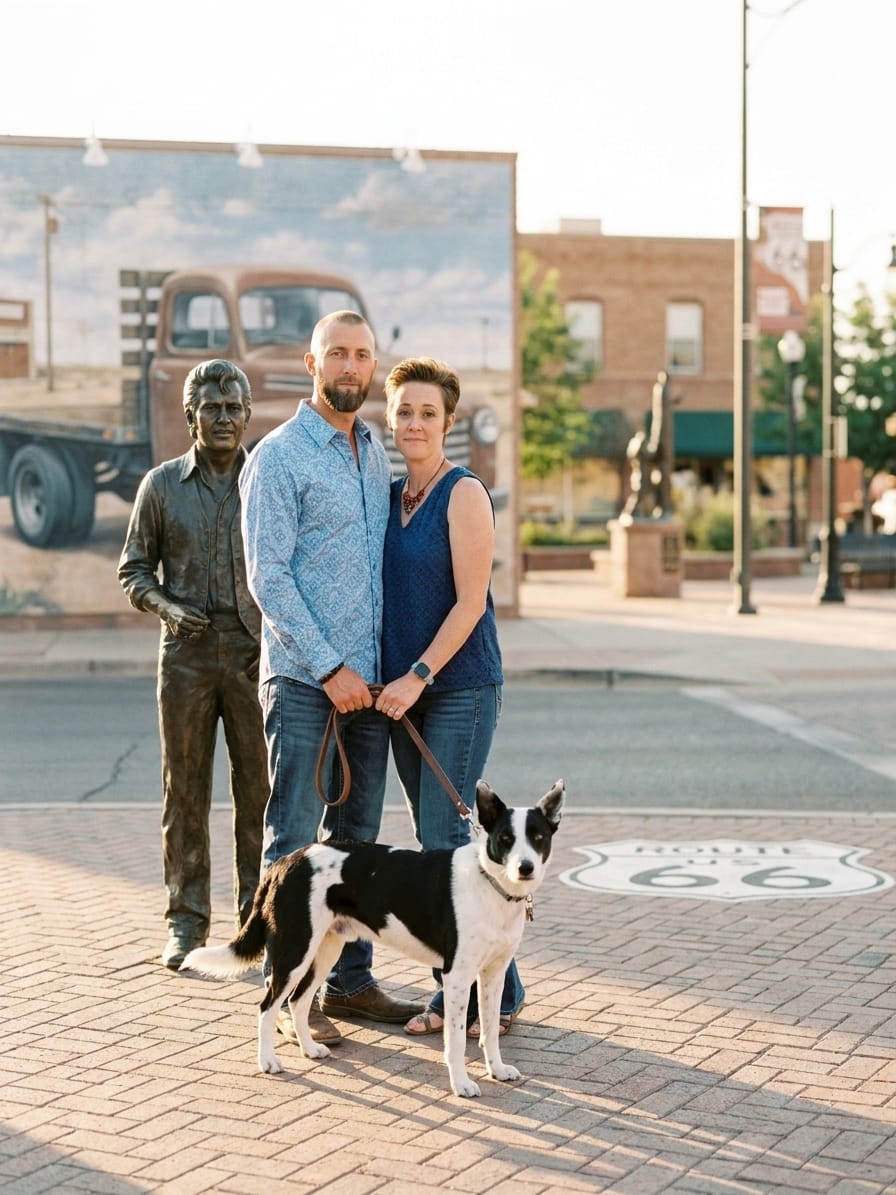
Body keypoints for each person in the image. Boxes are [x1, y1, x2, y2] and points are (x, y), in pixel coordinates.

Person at [238, 310, 424, 1043]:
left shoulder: (372, 449)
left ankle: (347, 980)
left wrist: (375, 673)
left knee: (359, 843)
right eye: (338, 354)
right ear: (311, 363)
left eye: (363, 355)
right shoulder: (279, 457)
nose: (352, 366)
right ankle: (286, 995)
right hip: (304, 680)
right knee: (291, 839)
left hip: (371, 689)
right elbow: (269, 577)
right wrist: (329, 667)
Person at [373, 356, 526, 1038]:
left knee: (442, 838)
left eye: (427, 412)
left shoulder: (463, 493)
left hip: (457, 685)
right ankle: (506, 985)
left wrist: (419, 676)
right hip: (405, 694)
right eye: (404, 410)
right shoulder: (388, 496)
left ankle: (454, 995)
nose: (414, 422)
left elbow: (470, 604)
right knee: (438, 842)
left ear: (448, 422)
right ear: (389, 416)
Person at [118, 358, 268, 971]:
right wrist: (166, 607)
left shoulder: (265, 480)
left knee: (259, 793)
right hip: (185, 657)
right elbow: (132, 570)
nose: (225, 417)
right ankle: (185, 920)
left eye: (234, 407)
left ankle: (257, 923)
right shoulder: (159, 486)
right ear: (191, 416)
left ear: (247, 414)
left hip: (255, 653)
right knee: (184, 791)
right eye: (213, 408)